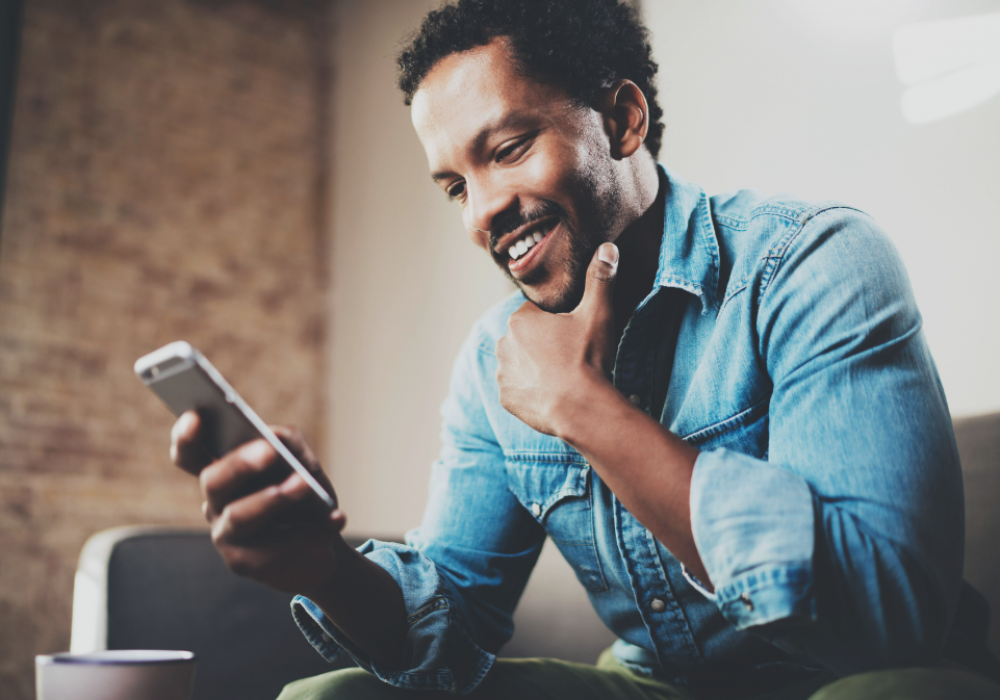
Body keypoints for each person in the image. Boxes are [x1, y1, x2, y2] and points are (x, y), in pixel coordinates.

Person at [170, 1, 1000, 698]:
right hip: (658, 685)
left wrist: (585, 410)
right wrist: (325, 568)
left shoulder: (813, 263)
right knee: (329, 698)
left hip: (853, 679)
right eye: (456, 184)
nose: (480, 213)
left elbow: (888, 628)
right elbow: (449, 633)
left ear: (623, 119)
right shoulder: (495, 360)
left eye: (508, 150)